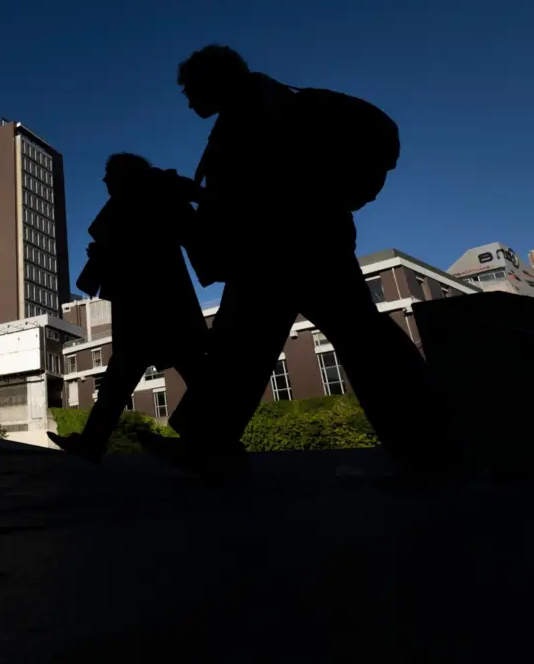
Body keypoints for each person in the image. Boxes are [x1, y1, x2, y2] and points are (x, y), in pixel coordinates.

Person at [140, 45, 457, 483]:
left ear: (216, 80)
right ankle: (432, 446)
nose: (189, 100)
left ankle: (434, 449)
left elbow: (263, 189)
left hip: (290, 247)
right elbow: (248, 191)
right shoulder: (258, 107)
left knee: (338, 341)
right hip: (286, 246)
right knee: (253, 345)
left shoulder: (261, 108)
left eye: (192, 89)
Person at [47, 153, 208, 464]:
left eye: (109, 175)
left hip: (152, 300)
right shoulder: (145, 197)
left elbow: (167, 236)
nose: (105, 181)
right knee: (146, 373)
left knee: (177, 370)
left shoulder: (147, 197)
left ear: (124, 176)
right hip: (149, 301)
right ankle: (93, 442)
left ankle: (213, 439)